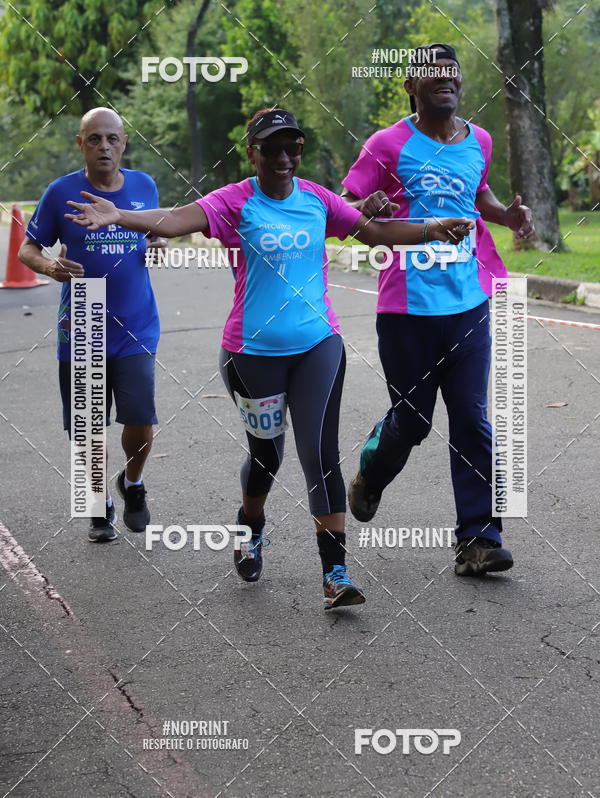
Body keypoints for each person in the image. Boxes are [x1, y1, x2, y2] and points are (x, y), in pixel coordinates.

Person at [63, 107, 473, 607]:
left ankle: (336, 574)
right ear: (252, 153)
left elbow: (377, 231)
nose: (283, 158)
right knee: (266, 456)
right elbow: (175, 220)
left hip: (318, 345)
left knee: (319, 453)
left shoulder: (317, 199)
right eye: (272, 148)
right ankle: (250, 525)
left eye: (292, 148)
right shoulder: (235, 201)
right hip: (250, 356)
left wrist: (433, 228)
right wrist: (119, 215)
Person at [341, 44, 534, 576]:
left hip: (469, 303)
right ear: (411, 86)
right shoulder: (386, 144)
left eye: (453, 71)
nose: (446, 77)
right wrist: (367, 206)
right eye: (434, 71)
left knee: (472, 419)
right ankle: (371, 473)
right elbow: (344, 209)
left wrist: (507, 216)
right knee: (413, 420)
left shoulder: (479, 141)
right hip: (406, 309)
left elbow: (479, 194)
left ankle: (479, 538)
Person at [19, 107, 166, 543]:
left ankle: (133, 483)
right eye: (95, 138)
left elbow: (154, 229)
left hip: (136, 321)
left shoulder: (144, 186)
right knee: (87, 426)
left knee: (140, 418)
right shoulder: (60, 192)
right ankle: (98, 503)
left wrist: (157, 240)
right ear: (80, 144)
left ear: (124, 143)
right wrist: (50, 266)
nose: (104, 146)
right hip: (83, 317)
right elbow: (28, 249)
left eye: (112, 138)